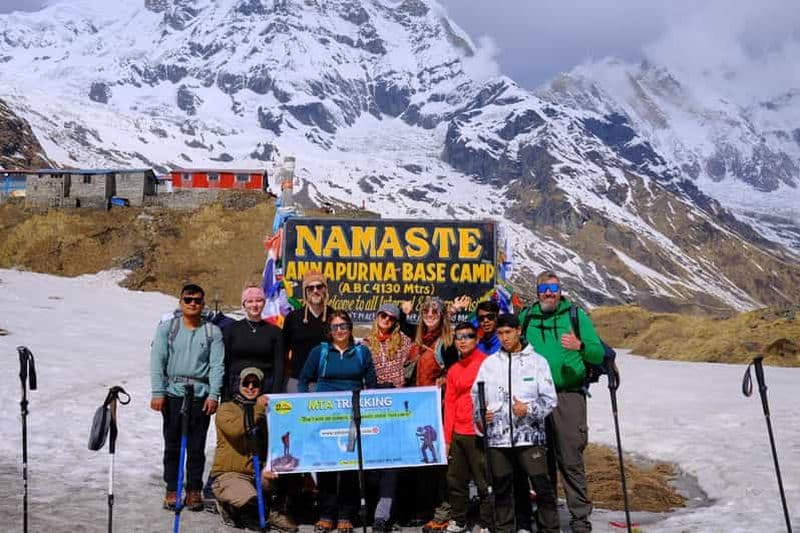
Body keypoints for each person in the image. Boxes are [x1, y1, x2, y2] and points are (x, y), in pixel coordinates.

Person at [520, 272, 605, 533]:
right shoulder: (526, 318)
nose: (549, 293)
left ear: (560, 291)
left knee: (570, 459)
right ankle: (548, 520)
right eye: (544, 288)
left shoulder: (576, 316)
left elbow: (598, 353)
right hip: (535, 399)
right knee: (539, 462)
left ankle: (580, 519)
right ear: (537, 291)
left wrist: (580, 346)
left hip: (568, 396)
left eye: (553, 288)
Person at [471, 314, 558, 533]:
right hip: (499, 440)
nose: (504, 337)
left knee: (541, 486)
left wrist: (528, 409)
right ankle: (504, 529)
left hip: (530, 437)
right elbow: (475, 398)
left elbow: (550, 400)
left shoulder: (537, 362)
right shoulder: (489, 365)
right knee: (501, 489)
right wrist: (482, 416)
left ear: (518, 331)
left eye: (508, 332)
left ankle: (550, 528)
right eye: (500, 333)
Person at [298, 311, 378, 533]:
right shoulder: (320, 352)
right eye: (335, 327)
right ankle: (326, 514)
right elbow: (304, 381)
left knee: (350, 467)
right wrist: (308, 407)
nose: (340, 330)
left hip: (352, 417)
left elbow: (371, 384)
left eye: (343, 326)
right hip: (325, 418)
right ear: (329, 331)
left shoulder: (362, 352)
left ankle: (346, 515)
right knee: (327, 466)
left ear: (350, 328)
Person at [150, 283, 224, 510]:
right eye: (188, 299)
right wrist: (157, 391)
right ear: (180, 302)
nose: (193, 304)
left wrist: (214, 394)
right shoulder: (167, 329)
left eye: (198, 301)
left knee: (196, 446)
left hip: (200, 396)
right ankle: (172, 488)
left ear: (203, 304)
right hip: (173, 394)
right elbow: (157, 361)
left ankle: (193, 490)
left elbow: (216, 365)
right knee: (172, 445)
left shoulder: (213, 332)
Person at [362, 302, 413, 531]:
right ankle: (370, 508)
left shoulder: (404, 341)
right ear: (377, 316)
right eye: (383, 315)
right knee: (372, 463)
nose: (387, 320)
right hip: (372, 405)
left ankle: (383, 515)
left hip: (395, 404)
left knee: (392, 463)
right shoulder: (364, 344)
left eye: (392, 318)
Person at [211, 367, 281, 529]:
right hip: (230, 475)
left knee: (285, 481)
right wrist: (257, 407)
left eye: (255, 384)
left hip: (257, 473)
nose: (250, 387)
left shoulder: (267, 412)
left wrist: (269, 466)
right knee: (254, 513)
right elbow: (236, 431)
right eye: (246, 383)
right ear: (239, 384)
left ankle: (276, 510)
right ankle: (228, 506)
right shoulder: (226, 409)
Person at [442, 322, 492, 532]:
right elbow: (450, 403)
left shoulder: (487, 363)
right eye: (458, 337)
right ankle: (459, 519)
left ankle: (488, 522)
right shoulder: (453, 369)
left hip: (479, 431)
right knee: (456, 479)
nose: (462, 340)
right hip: (458, 431)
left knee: (484, 481)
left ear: (477, 339)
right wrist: (447, 438)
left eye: (468, 336)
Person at [223, 285, 285, 400]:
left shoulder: (275, 332)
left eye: (258, 300)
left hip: (265, 389)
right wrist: (225, 395)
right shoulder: (231, 330)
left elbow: (279, 366)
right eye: (250, 301)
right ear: (244, 304)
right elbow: (225, 364)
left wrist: (275, 395)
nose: (254, 305)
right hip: (236, 388)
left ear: (264, 303)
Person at [283, 270, 334, 392]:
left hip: (328, 383)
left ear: (325, 290)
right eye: (310, 288)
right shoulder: (293, 318)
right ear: (305, 292)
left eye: (319, 287)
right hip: (298, 381)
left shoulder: (335, 317)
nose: (315, 291)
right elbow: (283, 351)